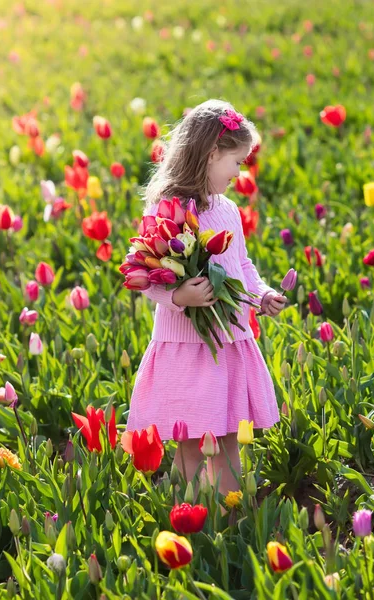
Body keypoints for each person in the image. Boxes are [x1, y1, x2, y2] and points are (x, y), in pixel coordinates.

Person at [126, 99, 288, 500]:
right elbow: (143, 273)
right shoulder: (169, 208)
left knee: (229, 436)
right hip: (188, 347)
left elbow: (242, 265)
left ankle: (229, 517)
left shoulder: (228, 210)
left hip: (228, 340)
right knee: (193, 440)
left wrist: (261, 295)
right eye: (236, 162)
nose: (239, 172)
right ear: (212, 154)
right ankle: (188, 514)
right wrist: (178, 294)